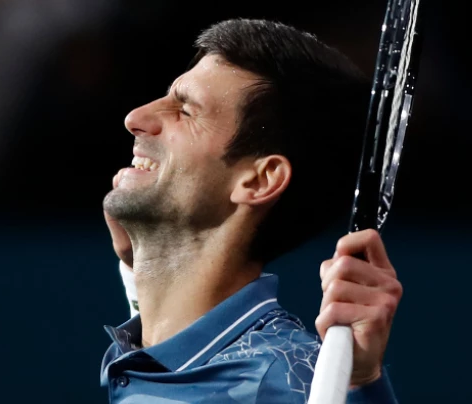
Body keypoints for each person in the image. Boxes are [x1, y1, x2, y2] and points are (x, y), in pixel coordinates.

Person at [101, 18, 402, 403]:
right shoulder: (154, 354)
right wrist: (143, 265)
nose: (135, 118)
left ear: (259, 180)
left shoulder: (278, 383)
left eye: (186, 111)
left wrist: (361, 383)